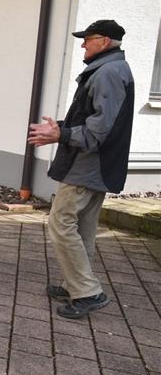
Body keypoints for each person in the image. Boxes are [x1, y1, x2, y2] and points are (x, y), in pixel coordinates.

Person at [28, 19, 134, 319]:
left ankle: (87, 292)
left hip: (88, 166)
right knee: (84, 228)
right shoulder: (111, 70)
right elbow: (93, 120)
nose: (83, 45)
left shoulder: (109, 73)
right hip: (96, 166)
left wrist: (59, 134)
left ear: (104, 41)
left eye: (88, 39)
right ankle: (75, 284)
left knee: (61, 223)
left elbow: (99, 130)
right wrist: (61, 128)